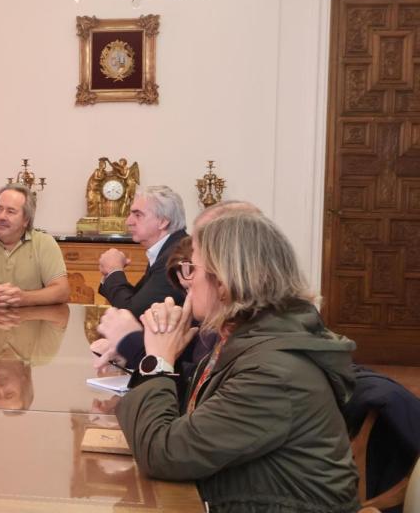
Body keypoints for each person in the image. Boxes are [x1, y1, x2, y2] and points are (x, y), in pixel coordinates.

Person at [116, 211, 359, 512]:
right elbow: (187, 432)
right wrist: (170, 359)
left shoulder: (273, 373)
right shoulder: (244, 342)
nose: (187, 280)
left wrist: (158, 360)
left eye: (193, 267)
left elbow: (163, 453)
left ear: (224, 282)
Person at [93, 200, 259, 372]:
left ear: (224, 269)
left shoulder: (258, 353)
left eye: (193, 264)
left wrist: (133, 345)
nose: (128, 221)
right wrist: (134, 355)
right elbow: (188, 371)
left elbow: (184, 396)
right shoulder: (222, 326)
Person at [97, 185, 187, 316]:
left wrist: (114, 271)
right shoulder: (168, 248)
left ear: (163, 221)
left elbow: (132, 314)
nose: (128, 221)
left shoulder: (175, 257)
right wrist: (111, 274)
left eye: (138, 215)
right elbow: (137, 301)